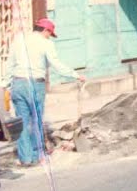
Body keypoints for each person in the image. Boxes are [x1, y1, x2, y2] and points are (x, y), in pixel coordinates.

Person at [5, 18, 85, 168]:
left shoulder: (18, 41)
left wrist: (6, 86)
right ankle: (37, 155)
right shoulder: (46, 44)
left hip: (18, 83)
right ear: (45, 30)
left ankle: (25, 158)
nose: (49, 37)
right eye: (50, 34)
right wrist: (75, 75)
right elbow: (56, 65)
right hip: (35, 84)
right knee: (36, 121)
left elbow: (9, 65)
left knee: (22, 122)